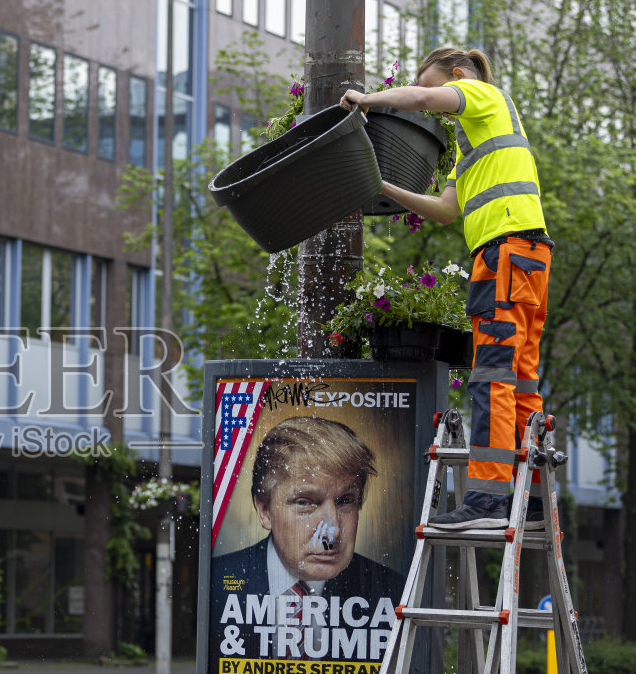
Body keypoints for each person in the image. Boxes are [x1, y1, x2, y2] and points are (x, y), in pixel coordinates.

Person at [341, 46, 552, 531]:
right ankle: (531, 501)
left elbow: (417, 97)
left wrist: (367, 100)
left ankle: (487, 498)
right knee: (520, 379)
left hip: (504, 251)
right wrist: (384, 186)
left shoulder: (481, 95)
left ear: (456, 77)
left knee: (492, 375)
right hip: (527, 255)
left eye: (435, 83)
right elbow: (443, 208)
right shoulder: (478, 142)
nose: (431, 93)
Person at [212, 416, 402, 632]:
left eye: (346, 501)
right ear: (264, 511)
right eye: (304, 502)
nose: (332, 533)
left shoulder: (395, 591)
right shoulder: (215, 582)